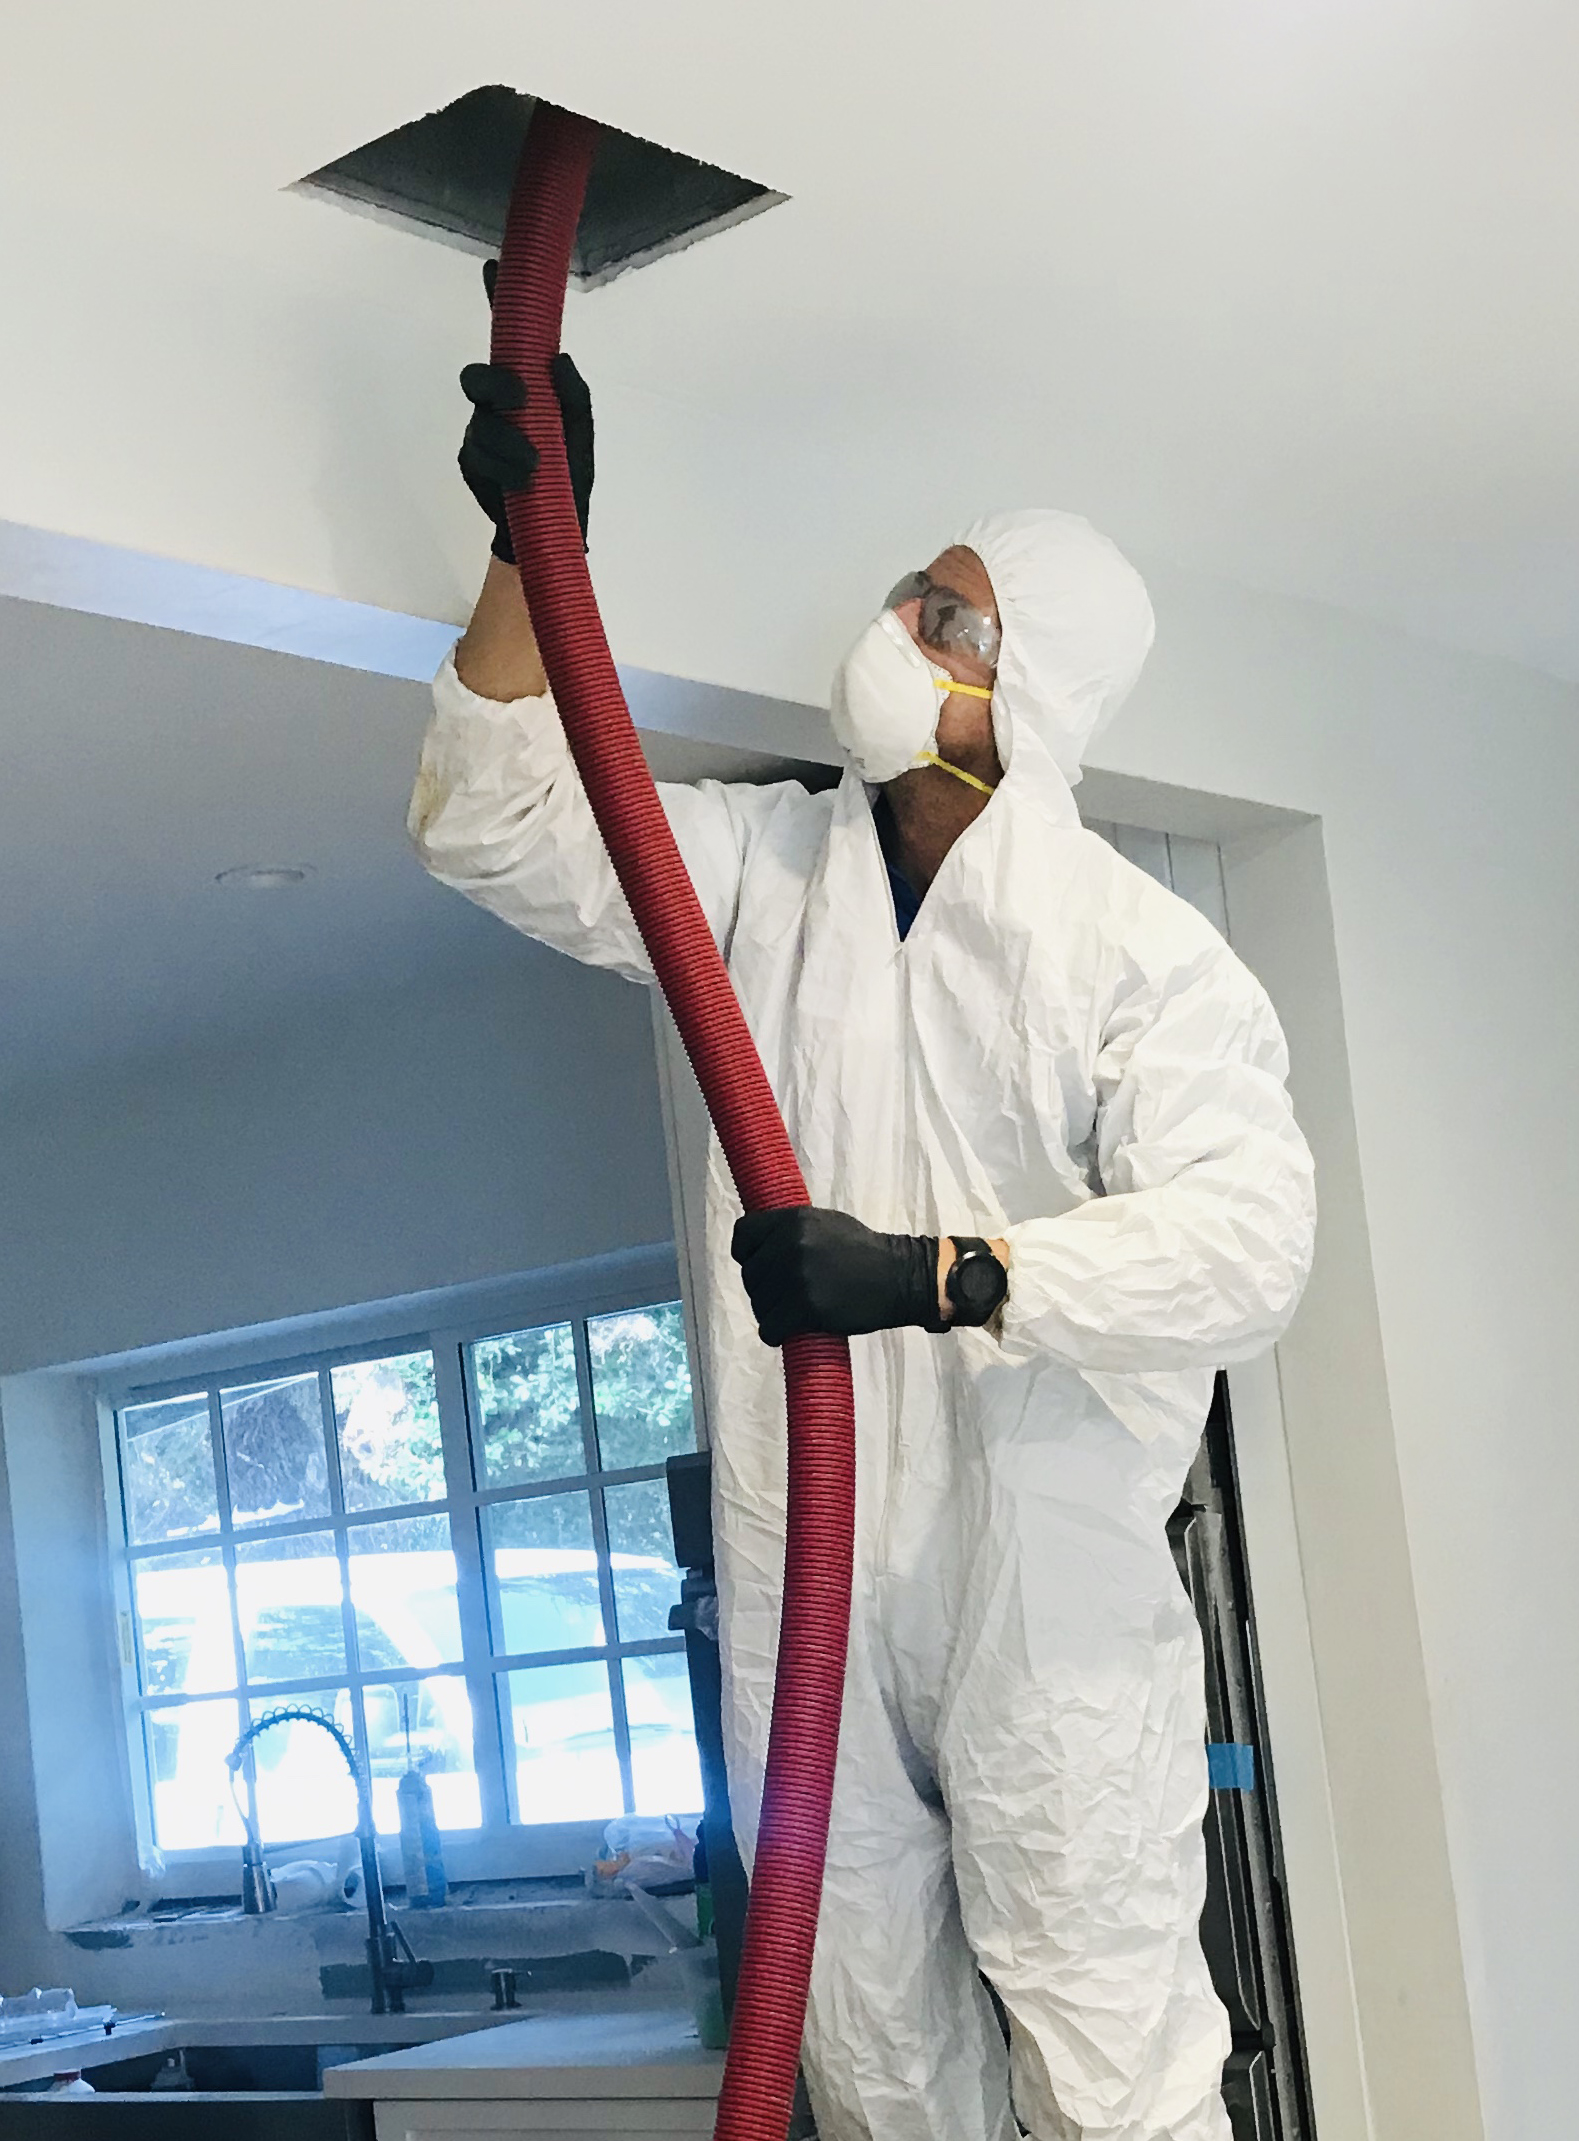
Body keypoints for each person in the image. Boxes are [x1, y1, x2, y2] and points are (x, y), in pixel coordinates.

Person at [410, 351, 1316, 2141]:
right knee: (876, 2065)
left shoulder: (1133, 951)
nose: (898, 626)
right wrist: (529, 548)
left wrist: (940, 1275)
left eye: (949, 618)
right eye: (913, 593)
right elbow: (496, 825)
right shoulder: (766, 871)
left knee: (1116, 2078)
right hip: (803, 1585)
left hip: (1041, 1614)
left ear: (1027, 688)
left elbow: (1248, 1243)